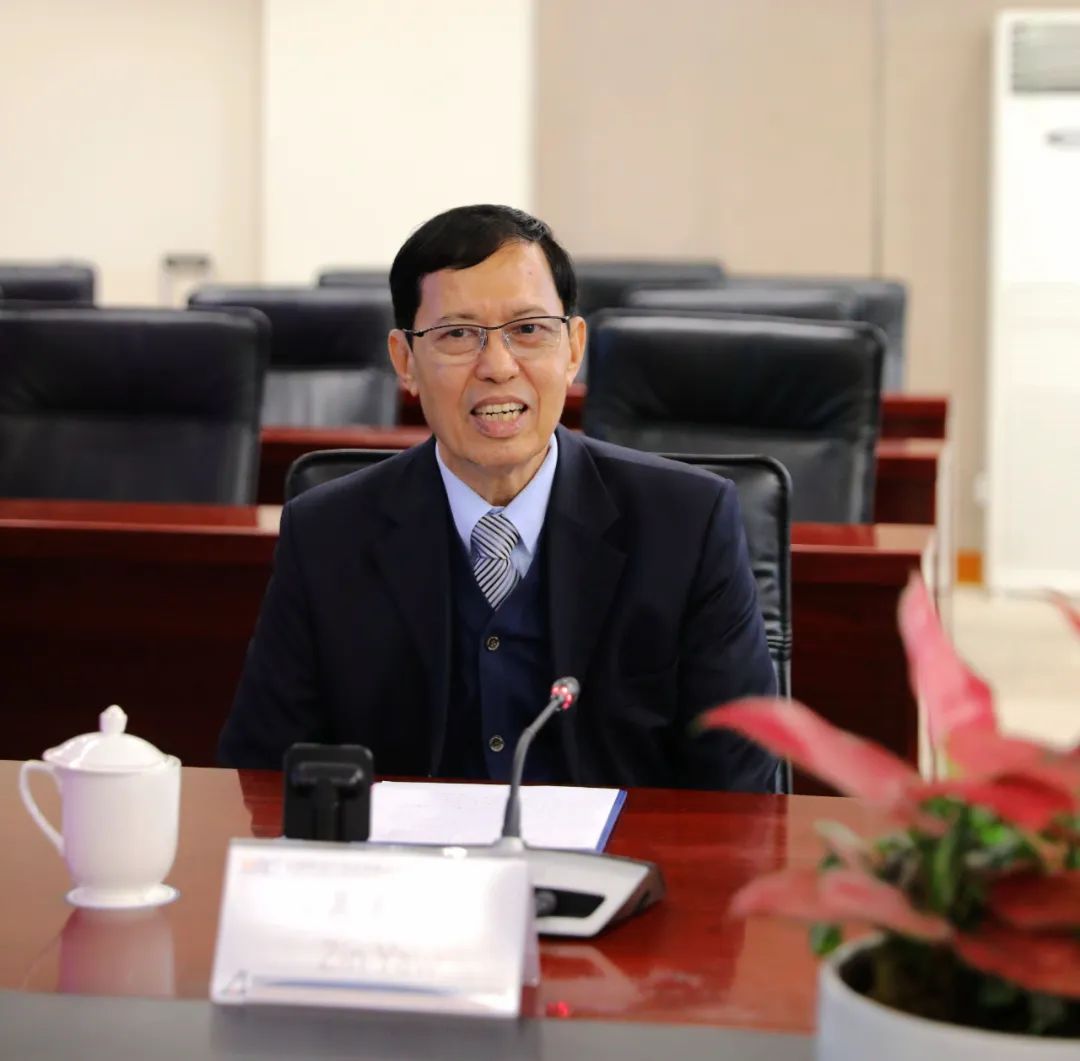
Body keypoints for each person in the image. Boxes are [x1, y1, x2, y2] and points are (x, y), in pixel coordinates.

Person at [219, 204, 779, 790]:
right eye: (457, 334)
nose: (497, 366)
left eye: (528, 330)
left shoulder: (687, 524)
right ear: (405, 361)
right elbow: (262, 773)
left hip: (625, 850)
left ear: (573, 349)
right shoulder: (327, 534)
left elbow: (742, 790)